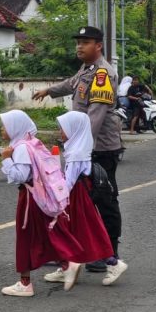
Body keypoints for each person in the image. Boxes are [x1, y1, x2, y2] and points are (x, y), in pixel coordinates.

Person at [33, 26, 125, 281]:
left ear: (99, 46)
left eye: (85, 42)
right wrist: (48, 91)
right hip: (83, 147)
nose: (79, 46)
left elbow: (95, 115)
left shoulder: (103, 74)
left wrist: (80, 148)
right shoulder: (86, 70)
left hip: (100, 148)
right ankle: (75, 256)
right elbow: (70, 84)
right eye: (78, 42)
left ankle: (109, 254)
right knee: (77, 202)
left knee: (104, 200)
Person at [0, 110, 86, 298]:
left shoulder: (21, 148)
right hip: (40, 197)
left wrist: (6, 160)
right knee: (43, 233)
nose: (1, 129)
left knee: (25, 236)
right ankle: (64, 264)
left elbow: (20, 176)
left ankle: (27, 283)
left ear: (15, 127)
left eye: (4, 126)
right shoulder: (33, 143)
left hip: (30, 197)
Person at [44, 112, 123, 286]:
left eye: (63, 128)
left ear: (74, 129)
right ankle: (66, 266)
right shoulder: (77, 147)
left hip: (78, 198)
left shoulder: (76, 153)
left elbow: (69, 182)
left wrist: (53, 192)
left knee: (87, 233)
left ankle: (114, 263)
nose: (60, 132)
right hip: (78, 197)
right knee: (72, 231)